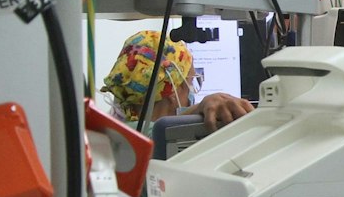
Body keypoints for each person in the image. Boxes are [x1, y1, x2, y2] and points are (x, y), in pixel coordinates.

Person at [101, 29, 253, 132]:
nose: (192, 95)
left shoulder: (110, 129)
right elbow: (156, 135)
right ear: (173, 89)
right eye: (192, 82)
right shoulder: (132, 139)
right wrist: (204, 105)